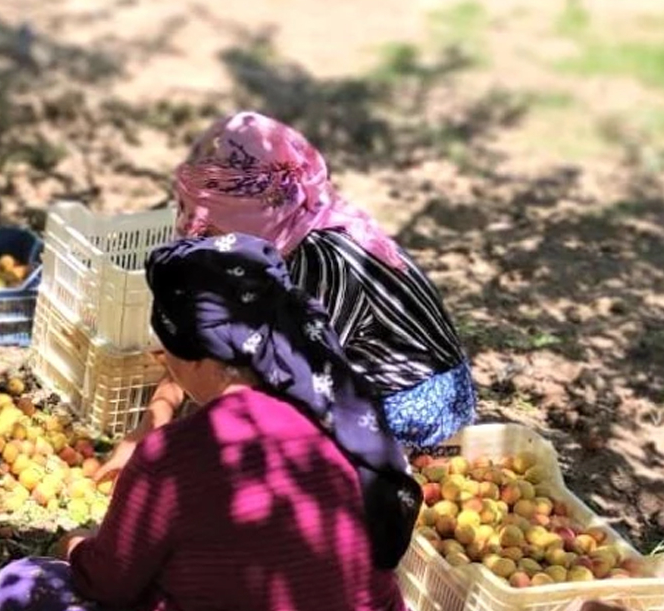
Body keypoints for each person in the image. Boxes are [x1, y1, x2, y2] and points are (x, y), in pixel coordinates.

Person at [0, 233, 426, 611]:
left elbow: (108, 583)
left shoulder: (177, 457)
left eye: (165, 345)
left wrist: (74, 544)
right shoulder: (332, 407)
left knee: (23, 585)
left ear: (199, 359)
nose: (160, 357)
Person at [99, 111, 475, 478]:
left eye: (211, 227)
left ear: (249, 216)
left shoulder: (321, 262)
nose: (201, 236)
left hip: (410, 399)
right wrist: (151, 425)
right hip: (339, 369)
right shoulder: (272, 237)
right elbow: (201, 338)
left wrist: (189, 450)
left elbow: (298, 380)